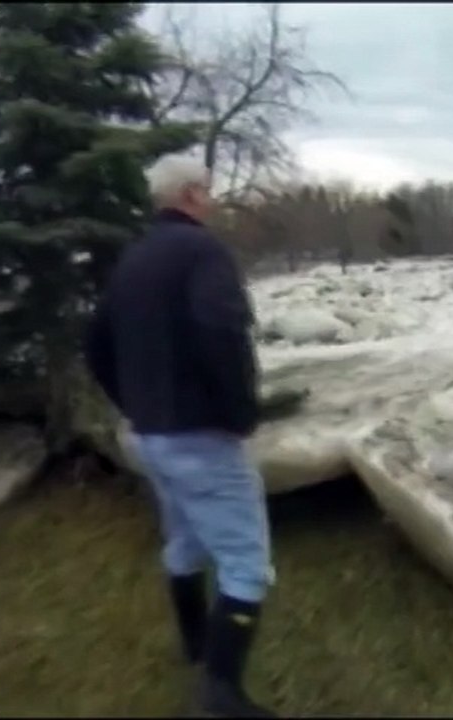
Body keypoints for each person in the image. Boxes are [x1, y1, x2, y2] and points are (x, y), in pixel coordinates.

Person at [83, 152, 276, 718]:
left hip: (152, 434)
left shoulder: (133, 259)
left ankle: (196, 645)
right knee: (245, 563)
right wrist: (240, 413)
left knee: (185, 541)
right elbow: (224, 335)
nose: (211, 200)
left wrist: (133, 403)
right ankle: (221, 694)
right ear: (192, 195)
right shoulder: (203, 252)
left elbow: (96, 344)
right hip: (200, 434)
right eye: (208, 191)